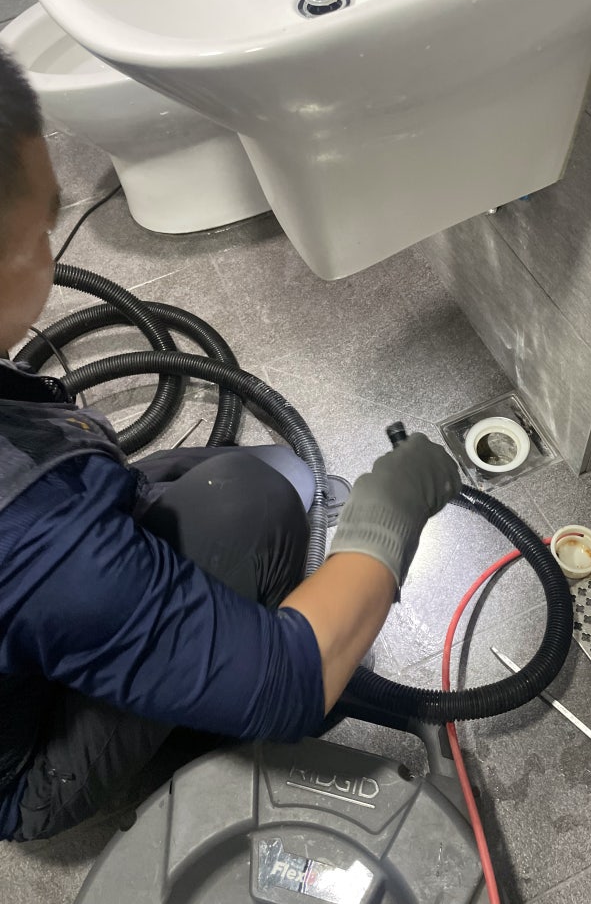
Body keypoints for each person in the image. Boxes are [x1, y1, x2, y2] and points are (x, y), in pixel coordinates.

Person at [0, 47, 461, 843]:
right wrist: (393, 511)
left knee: (244, 482)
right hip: (27, 768)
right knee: (250, 506)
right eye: (41, 228)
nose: (51, 243)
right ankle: (179, 729)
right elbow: (290, 680)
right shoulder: (31, 533)